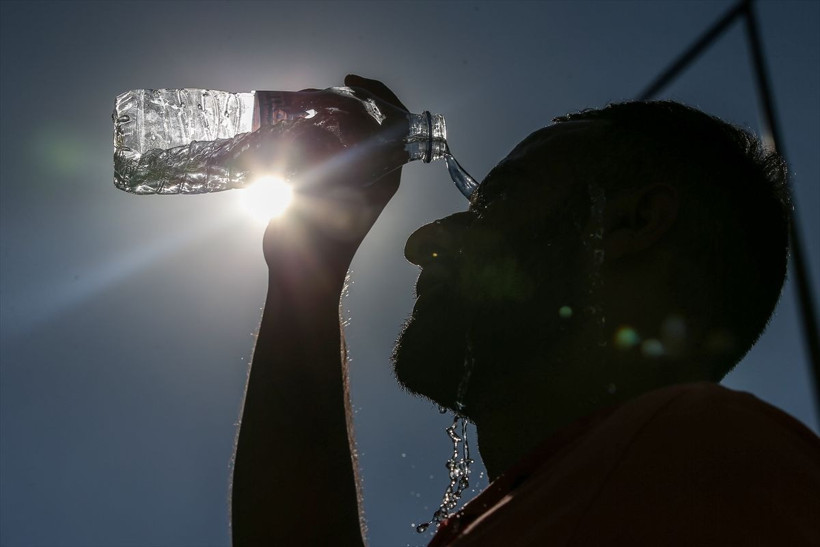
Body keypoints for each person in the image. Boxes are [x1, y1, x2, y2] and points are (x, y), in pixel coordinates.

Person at [230, 75, 820, 546]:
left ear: (631, 224)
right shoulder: (597, 502)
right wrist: (307, 270)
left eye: (501, 199)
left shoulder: (709, 463)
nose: (423, 240)